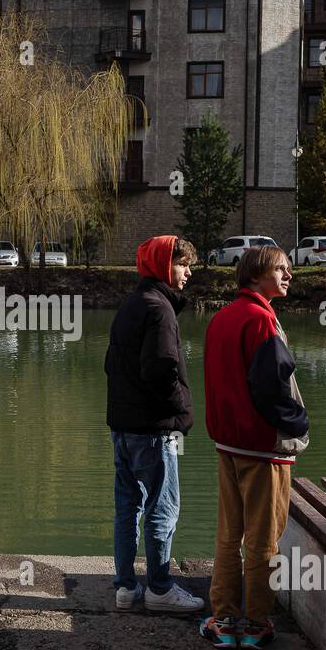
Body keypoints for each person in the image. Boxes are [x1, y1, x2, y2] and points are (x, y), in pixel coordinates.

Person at [200, 245, 309, 650]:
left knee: (229, 534)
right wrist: (298, 422)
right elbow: (273, 386)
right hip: (263, 449)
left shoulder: (221, 318)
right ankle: (257, 622)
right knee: (264, 538)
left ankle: (224, 618)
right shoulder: (262, 320)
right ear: (257, 273)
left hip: (228, 443)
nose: (289, 276)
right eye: (282, 269)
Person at [104, 235, 204, 614]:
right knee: (164, 506)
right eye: (182, 265)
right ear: (164, 266)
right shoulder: (159, 310)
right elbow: (162, 369)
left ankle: (126, 587)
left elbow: (112, 366)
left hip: (124, 427)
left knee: (128, 507)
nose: (188, 272)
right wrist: (184, 413)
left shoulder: (131, 304)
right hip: (155, 429)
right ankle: (161, 588)